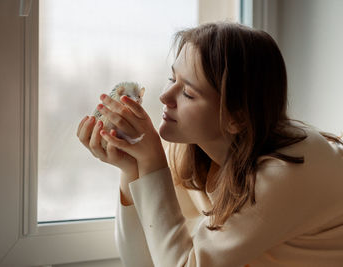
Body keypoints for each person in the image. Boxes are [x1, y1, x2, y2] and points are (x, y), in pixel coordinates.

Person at [76, 22, 343, 267]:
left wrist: (151, 162)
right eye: (172, 79)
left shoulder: (281, 174)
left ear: (236, 117)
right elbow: (141, 262)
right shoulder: (190, 148)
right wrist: (131, 167)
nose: (164, 96)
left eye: (188, 93)